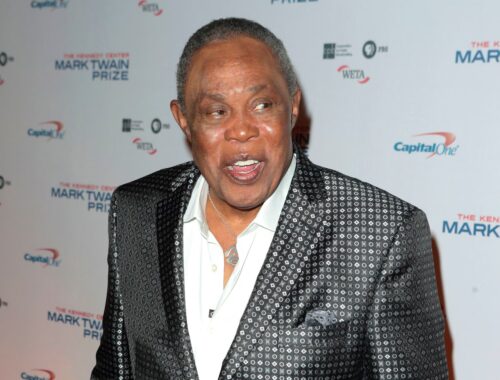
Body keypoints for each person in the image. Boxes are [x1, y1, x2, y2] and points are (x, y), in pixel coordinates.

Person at [91, 17, 448, 380]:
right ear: (183, 120)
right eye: (216, 111)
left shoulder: (381, 234)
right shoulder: (137, 211)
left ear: (292, 106)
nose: (242, 130)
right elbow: (113, 369)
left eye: (262, 105)